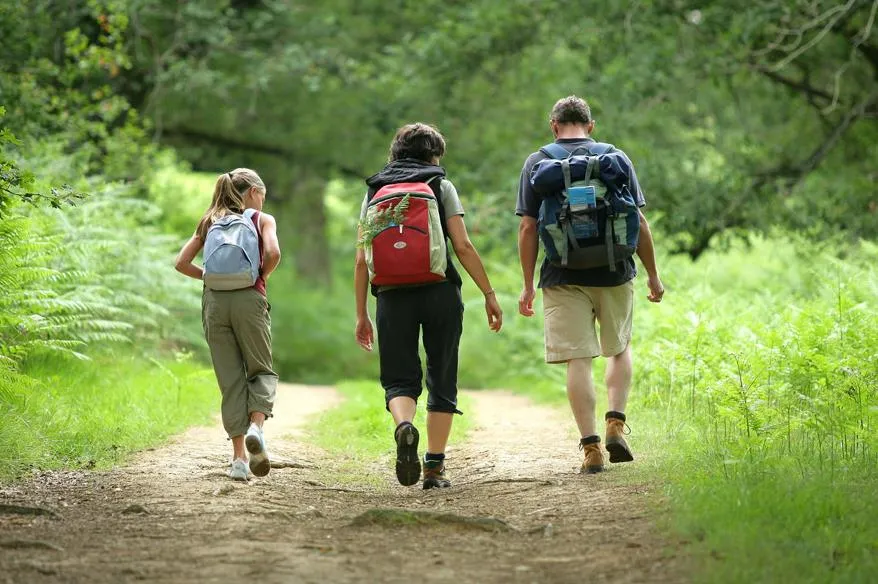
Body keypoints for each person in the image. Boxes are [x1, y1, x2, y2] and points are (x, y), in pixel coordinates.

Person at [516, 96, 664, 474]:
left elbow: (528, 227)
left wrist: (528, 284)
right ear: (590, 125)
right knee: (618, 348)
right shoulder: (615, 158)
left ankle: (592, 449)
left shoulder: (538, 162)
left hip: (562, 275)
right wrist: (652, 274)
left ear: (553, 125)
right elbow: (639, 221)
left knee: (578, 359)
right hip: (615, 270)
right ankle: (615, 422)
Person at [354, 123, 503, 489]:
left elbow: (361, 259)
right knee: (442, 373)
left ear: (396, 152)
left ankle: (405, 426)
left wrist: (361, 314)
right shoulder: (440, 186)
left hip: (390, 295)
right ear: (434, 155)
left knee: (399, 377)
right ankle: (434, 467)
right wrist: (488, 292)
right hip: (440, 291)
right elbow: (463, 246)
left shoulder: (376, 190)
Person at [175, 168, 281, 481]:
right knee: (261, 370)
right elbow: (273, 252)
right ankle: (256, 428)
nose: (262, 201)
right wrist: (261, 276)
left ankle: (238, 461)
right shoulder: (261, 219)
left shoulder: (209, 220)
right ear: (253, 193)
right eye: (262, 195)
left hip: (215, 304)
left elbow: (181, 263)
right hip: (249, 299)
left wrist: (208, 276)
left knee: (230, 380)